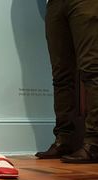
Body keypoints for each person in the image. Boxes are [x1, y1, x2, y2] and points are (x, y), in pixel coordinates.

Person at [35, 0, 98, 163]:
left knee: (92, 71)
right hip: (54, 3)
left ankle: (94, 143)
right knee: (61, 76)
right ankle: (64, 140)